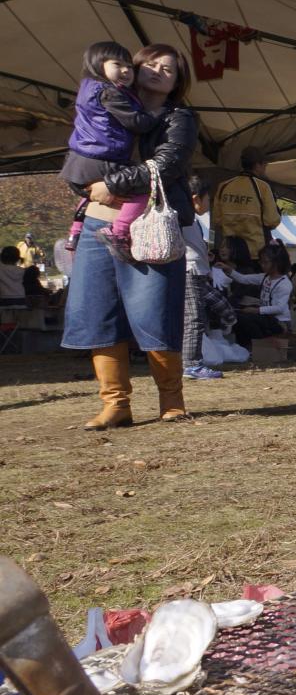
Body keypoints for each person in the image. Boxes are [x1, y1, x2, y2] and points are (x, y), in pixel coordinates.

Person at [60, 44, 198, 429]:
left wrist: (109, 184)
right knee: (96, 311)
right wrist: (87, 188)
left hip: (148, 227)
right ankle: (115, 403)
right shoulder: (105, 101)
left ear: (176, 81)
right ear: (132, 69)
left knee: (154, 312)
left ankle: (172, 400)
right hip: (96, 224)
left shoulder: (179, 118)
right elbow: (80, 154)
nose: (157, 70)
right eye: (150, 63)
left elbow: (167, 165)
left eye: (167, 68)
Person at [57, 41, 154, 260]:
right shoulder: (109, 93)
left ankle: (77, 229)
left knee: (101, 191)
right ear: (97, 65)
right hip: (101, 156)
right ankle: (118, 231)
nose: (126, 70)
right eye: (117, 64)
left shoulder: (87, 88)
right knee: (144, 187)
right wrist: (155, 118)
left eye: (129, 66)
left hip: (80, 159)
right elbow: (136, 122)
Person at [180, 175, 222, 381]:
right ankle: (191, 364)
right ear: (196, 198)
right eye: (208, 199)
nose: (209, 203)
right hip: (190, 271)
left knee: (196, 317)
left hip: (196, 270)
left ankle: (188, 362)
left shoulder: (190, 218)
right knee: (194, 318)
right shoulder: (183, 217)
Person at [222, 243, 294, 347]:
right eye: (261, 262)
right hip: (267, 318)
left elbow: (280, 308)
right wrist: (229, 270)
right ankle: (246, 346)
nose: (262, 265)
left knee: (247, 319)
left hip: (280, 322)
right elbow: (243, 279)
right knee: (238, 317)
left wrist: (256, 310)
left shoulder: (284, 284)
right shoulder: (265, 277)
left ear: (277, 262)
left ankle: (256, 345)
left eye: (265, 262)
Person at [212, 147, 280, 254]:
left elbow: (217, 220)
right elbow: (272, 220)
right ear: (257, 165)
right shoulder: (263, 187)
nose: (266, 167)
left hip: (230, 252)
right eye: (264, 164)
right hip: (256, 252)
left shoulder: (224, 186)